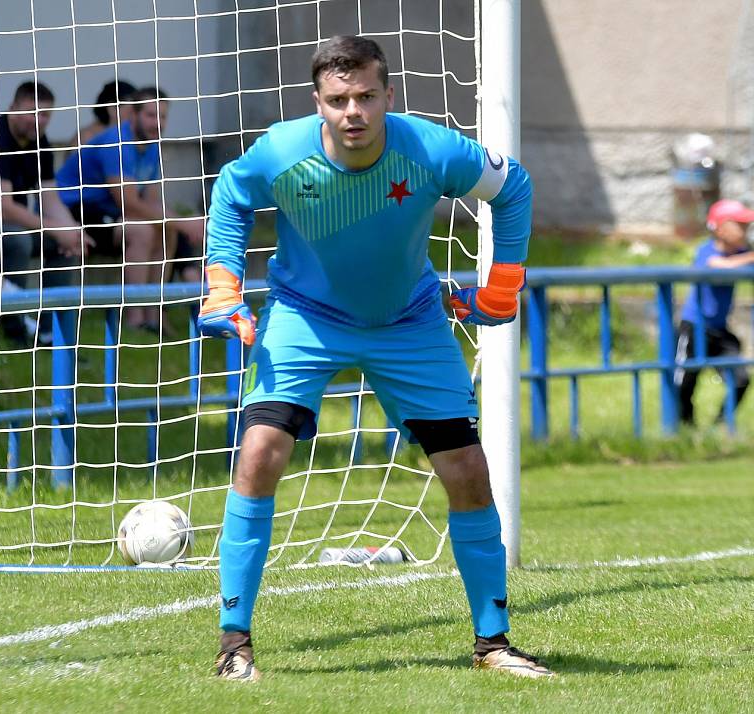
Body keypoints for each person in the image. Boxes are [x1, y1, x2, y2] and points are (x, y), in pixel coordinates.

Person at [198, 35, 553, 681]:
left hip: (408, 321)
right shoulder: (281, 151)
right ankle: (233, 644)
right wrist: (223, 283)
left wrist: (504, 281)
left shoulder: (432, 150)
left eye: (365, 96)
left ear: (389, 96)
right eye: (338, 100)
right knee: (257, 456)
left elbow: (514, 186)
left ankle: (493, 645)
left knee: (468, 470)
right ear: (319, 103)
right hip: (305, 317)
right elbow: (230, 193)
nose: (353, 111)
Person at [56, 86, 204, 331]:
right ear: (133, 115)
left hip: (109, 210)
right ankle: (134, 317)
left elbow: (152, 201)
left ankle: (154, 312)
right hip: (74, 209)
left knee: (166, 230)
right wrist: (184, 222)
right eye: (150, 115)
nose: (157, 123)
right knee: (141, 231)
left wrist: (178, 222)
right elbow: (130, 203)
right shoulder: (117, 141)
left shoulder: (151, 144)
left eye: (163, 116)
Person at [0, 81, 87, 344]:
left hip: (4, 218)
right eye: (31, 111)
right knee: (19, 240)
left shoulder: (41, 143)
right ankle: (13, 328)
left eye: (45, 114)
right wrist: (54, 228)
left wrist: (71, 231)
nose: (37, 120)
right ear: (12, 108)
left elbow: (50, 199)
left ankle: (51, 332)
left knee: (64, 244)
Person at [674, 199, 754, 425]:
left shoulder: (742, 253)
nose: (744, 230)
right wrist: (747, 258)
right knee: (683, 383)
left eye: (746, 225)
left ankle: (719, 426)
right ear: (718, 228)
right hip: (693, 329)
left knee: (740, 379)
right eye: (738, 224)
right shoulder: (707, 250)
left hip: (719, 331)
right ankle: (683, 426)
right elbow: (713, 265)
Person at [72, 79, 137, 147]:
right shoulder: (87, 138)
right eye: (132, 110)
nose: (135, 115)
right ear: (112, 108)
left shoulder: (132, 135)